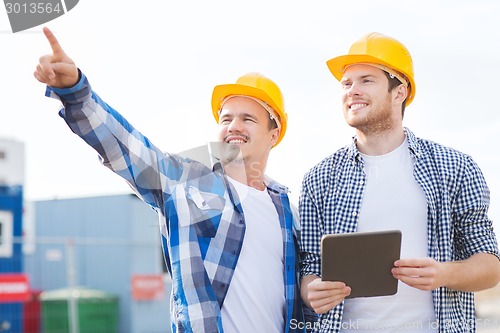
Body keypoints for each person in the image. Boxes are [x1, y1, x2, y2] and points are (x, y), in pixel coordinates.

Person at [34, 27, 306, 333]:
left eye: (248, 118)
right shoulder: (189, 182)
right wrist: (76, 93)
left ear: (274, 133)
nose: (233, 126)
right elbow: (129, 149)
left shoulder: (286, 208)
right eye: (226, 118)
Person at [299, 32, 500, 333]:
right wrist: (311, 289)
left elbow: (490, 265)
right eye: (346, 83)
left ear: (399, 91)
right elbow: (310, 265)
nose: (352, 91)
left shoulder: (454, 167)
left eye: (366, 80)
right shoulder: (319, 177)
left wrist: (444, 274)